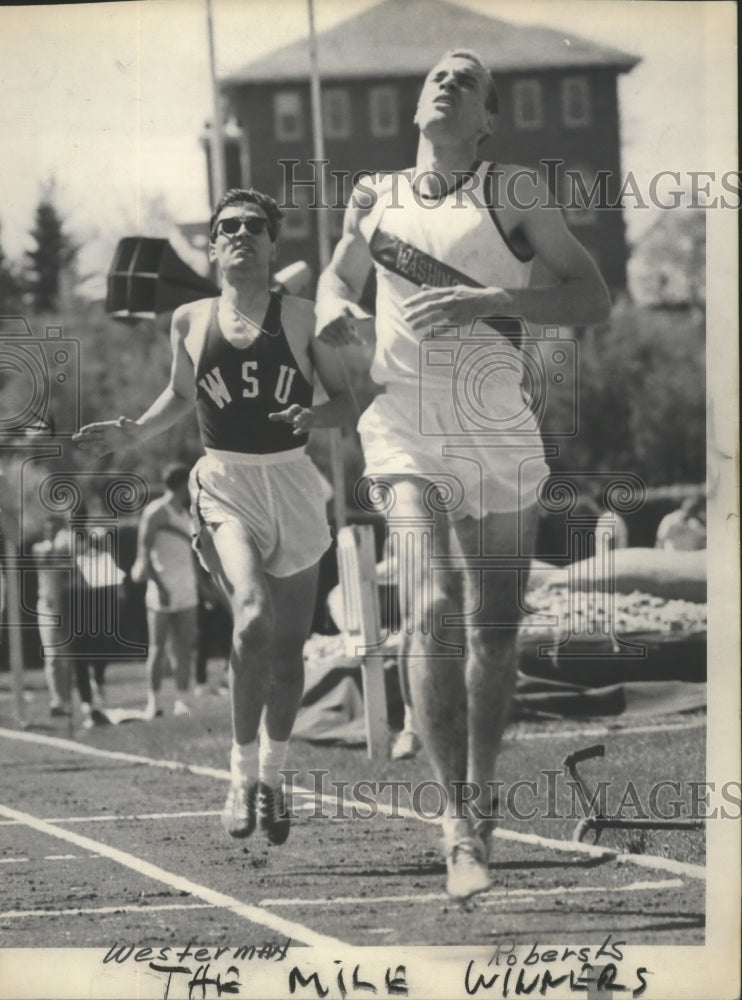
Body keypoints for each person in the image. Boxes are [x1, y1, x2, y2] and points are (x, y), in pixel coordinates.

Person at [316, 49, 611, 898]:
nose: (446, 82)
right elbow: (340, 274)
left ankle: (479, 804)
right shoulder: (373, 197)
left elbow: (591, 299)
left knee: (493, 630)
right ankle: (453, 823)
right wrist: (338, 309)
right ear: (417, 106)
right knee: (433, 604)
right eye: (437, 76)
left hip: (497, 431)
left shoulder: (511, 192)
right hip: (403, 426)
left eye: (467, 79)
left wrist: (495, 301)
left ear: (485, 119)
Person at [75, 187, 359, 845]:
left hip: (291, 482)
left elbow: (348, 402)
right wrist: (132, 435)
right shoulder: (188, 319)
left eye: (252, 226)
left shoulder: (304, 319)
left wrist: (315, 416)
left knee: (287, 657)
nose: (238, 233)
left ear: (271, 242)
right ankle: (238, 777)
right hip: (224, 478)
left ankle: (274, 776)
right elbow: (180, 394)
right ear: (211, 245)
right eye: (226, 226)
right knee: (251, 616)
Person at [131, 463, 199, 719]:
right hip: (161, 589)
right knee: (157, 648)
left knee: (184, 648)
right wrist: (160, 586)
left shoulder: (188, 513)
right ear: (182, 484)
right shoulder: (156, 512)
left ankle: (183, 700)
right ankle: (154, 702)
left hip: (187, 587)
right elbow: (144, 554)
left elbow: (190, 555)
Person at [32, 515, 73, 716]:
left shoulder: (66, 547)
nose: (51, 532)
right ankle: (57, 699)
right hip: (47, 606)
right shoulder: (40, 548)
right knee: (53, 656)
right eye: (48, 529)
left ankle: (68, 700)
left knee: (67, 656)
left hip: (66, 607)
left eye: (54, 529)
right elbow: (46, 557)